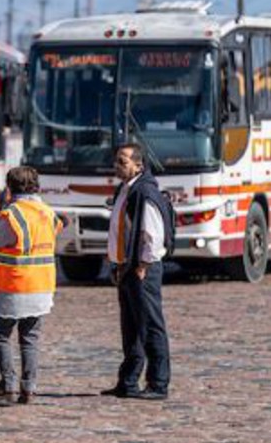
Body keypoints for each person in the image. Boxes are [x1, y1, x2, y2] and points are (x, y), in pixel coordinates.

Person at [0, 166, 63, 405]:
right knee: (30, 338)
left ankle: (9, 386)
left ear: (10, 187)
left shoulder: (12, 214)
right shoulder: (47, 211)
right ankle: (29, 388)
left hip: (16, 285)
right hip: (43, 284)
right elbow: (57, 229)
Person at [101, 143, 172, 400]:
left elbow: (152, 234)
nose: (117, 166)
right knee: (130, 326)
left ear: (138, 165)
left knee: (151, 325)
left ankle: (158, 383)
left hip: (143, 269)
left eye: (123, 162)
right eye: (117, 161)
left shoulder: (144, 192)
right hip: (126, 266)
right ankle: (128, 381)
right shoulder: (125, 189)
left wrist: (143, 265)